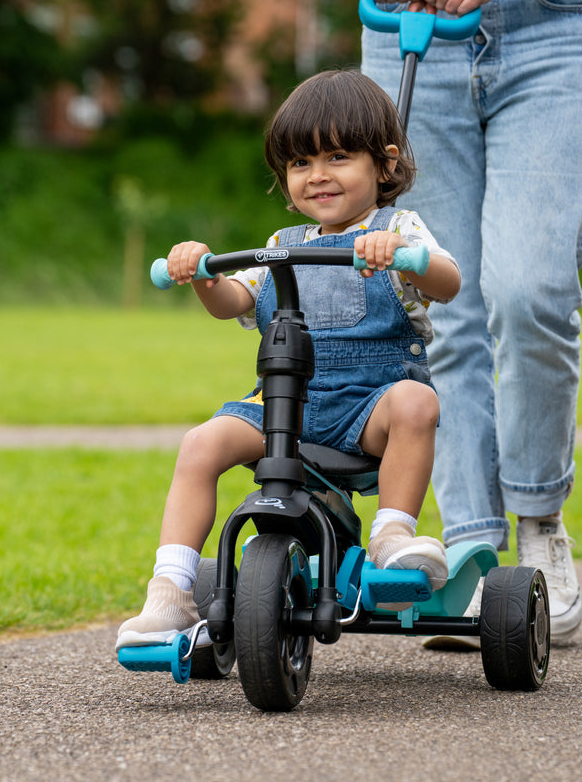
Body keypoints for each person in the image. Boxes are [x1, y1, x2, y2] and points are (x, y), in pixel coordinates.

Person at [116, 69, 462, 650]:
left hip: (369, 407)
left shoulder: (397, 228)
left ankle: (392, 537)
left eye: (337, 156)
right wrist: (201, 273)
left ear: (384, 163)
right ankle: (170, 592)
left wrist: (405, 256)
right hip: (284, 408)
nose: (317, 176)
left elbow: (448, 282)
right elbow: (235, 301)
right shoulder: (283, 247)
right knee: (200, 445)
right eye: (300, 164)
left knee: (416, 401)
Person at [360, 0, 582, 643]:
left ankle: (538, 521)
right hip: (404, 20)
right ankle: (470, 545)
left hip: (552, 22)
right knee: (433, 299)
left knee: (531, 292)